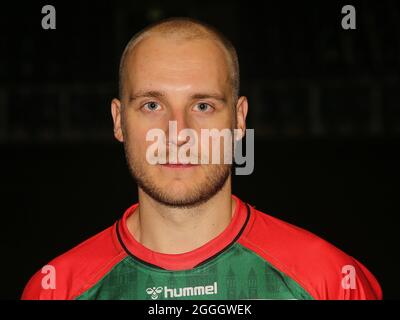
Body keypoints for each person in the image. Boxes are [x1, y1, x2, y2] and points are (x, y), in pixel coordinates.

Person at [22, 17, 382, 300]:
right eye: (152, 105)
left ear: (239, 120)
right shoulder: (57, 290)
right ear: (118, 121)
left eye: (203, 105)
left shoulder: (330, 282)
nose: (178, 131)